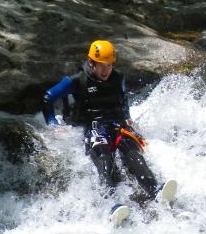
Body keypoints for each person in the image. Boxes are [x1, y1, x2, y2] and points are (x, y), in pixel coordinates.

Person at [42, 40, 175, 223]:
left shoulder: (118, 77)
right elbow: (48, 97)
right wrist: (52, 124)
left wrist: (127, 117)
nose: (106, 70)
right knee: (105, 158)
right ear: (91, 63)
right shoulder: (77, 80)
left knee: (132, 154)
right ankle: (111, 204)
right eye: (101, 65)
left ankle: (155, 191)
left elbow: (123, 99)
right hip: (94, 127)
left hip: (117, 124)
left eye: (109, 65)